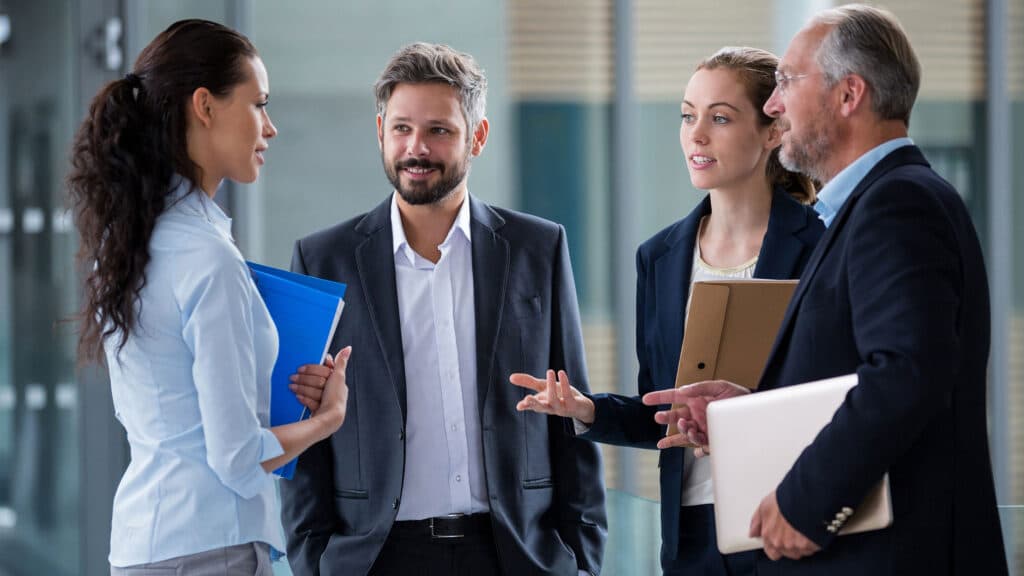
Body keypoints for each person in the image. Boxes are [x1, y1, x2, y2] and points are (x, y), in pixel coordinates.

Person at [645, 4, 1009, 575]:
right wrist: (752, 414)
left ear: (849, 95)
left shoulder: (897, 204)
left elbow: (906, 374)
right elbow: (859, 376)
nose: (773, 103)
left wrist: (806, 501)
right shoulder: (871, 208)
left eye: (787, 81)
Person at [278, 42, 606, 576]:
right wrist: (314, 562)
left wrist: (582, 561)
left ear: (477, 136)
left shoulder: (536, 248)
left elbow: (572, 412)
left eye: (439, 130)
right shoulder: (323, 259)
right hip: (375, 557)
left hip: (513, 554)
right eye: (402, 128)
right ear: (379, 130)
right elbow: (306, 431)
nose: (416, 148)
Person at [510, 46, 823, 575]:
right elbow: (661, 408)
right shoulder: (659, 258)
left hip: (793, 522)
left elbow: (846, 395)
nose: (696, 135)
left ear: (773, 130)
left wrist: (747, 413)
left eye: (719, 118)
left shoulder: (821, 246)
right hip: (693, 539)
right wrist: (588, 411)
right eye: (687, 115)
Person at [67, 19, 350, 575]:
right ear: (205, 105)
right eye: (258, 104)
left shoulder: (134, 242)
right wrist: (327, 419)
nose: (270, 128)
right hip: (207, 551)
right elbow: (239, 459)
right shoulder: (208, 258)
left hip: (145, 544)